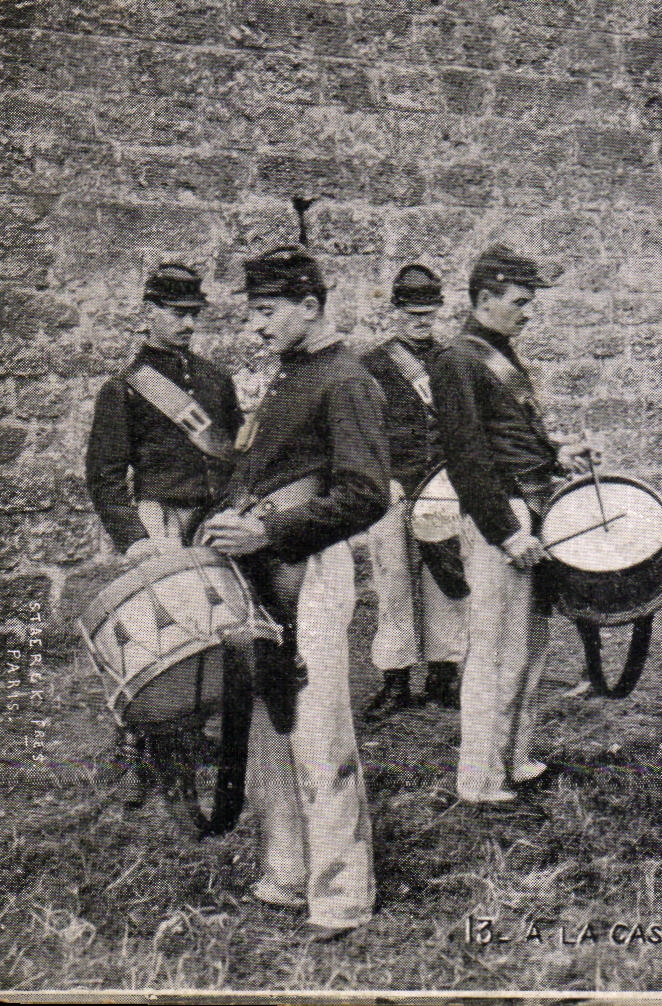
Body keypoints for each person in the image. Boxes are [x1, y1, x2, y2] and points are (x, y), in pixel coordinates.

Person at [201, 246, 389, 939]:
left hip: (310, 566)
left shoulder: (345, 381)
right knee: (269, 722)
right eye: (252, 312)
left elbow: (366, 495)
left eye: (267, 311)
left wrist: (271, 530)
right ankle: (287, 871)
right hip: (267, 564)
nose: (255, 326)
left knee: (316, 726)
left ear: (310, 308)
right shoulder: (289, 378)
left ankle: (341, 894)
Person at [428, 245, 595, 806]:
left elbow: (511, 439)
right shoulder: (457, 361)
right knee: (495, 651)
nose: (528, 313)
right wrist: (505, 533)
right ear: (485, 299)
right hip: (503, 519)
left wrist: (558, 453)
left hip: (531, 511)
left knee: (527, 650)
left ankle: (516, 758)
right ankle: (479, 779)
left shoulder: (499, 355)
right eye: (520, 302)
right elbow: (468, 458)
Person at [84, 262, 242, 804]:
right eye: (177, 314)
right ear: (149, 313)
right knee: (161, 636)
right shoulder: (124, 390)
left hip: (212, 517)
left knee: (211, 630)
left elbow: (235, 460)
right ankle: (149, 752)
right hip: (160, 520)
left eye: (194, 314)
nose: (188, 324)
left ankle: (197, 735)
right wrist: (135, 538)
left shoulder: (217, 381)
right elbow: (104, 476)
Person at [360, 264, 468, 718]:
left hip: (441, 486)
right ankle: (396, 680)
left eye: (428, 312)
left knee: (444, 578)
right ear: (396, 312)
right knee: (394, 582)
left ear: (439, 311)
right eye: (412, 313)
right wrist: (382, 478)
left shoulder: (452, 361)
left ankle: (444, 677)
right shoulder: (374, 364)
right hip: (394, 488)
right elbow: (364, 429)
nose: (421, 321)